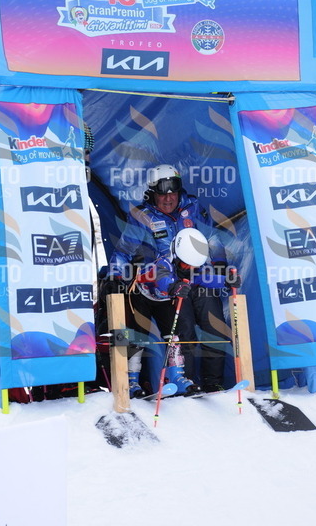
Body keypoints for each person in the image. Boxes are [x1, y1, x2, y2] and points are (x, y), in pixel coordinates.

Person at [103, 164, 240, 397]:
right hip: (169, 284)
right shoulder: (142, 216)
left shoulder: (192, 207)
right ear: (152, 193)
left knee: (215, 327)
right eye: (162, 193)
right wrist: (115, 276)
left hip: (201, 276)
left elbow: (213, 239)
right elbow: (124, 251)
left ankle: (213, 383)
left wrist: (220, 266)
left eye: (173, 192)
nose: (168, 198)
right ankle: (187, 383)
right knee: (183, 333)